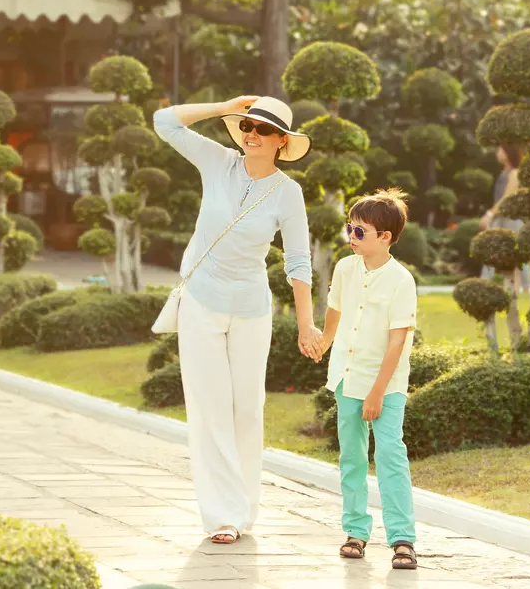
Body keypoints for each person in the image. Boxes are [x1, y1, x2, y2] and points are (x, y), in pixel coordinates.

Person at [153, 95, 323, 545]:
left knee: (246, 409)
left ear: (281, 142)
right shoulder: (218, 162)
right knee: (210, 409)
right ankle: (221, 516)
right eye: (247, 125)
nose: (251, 134)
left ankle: (244, 508)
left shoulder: (289, 192)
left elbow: (299, 262)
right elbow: (164, 122)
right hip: (202, 302)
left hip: (251, 307)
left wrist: (306, 325)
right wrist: (224, 105)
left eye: (263, 130)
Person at [315, 189, 418, 570]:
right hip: (346, 377)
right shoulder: (345, 268)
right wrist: (324, 342)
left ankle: (402, 538)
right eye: (349, 229)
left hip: (385, 384)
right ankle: (355, 531)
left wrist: (377, 392)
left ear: (385, 237)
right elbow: (335, 309)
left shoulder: (401, 281)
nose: (351, 237)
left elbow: (397, 341)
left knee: (390, 454)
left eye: (360, 232)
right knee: (352, 457)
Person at [480, 145, 529, 290]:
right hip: (500, 217)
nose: (498, 153)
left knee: (519, 252)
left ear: (508, 153)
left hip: (511, 219)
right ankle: (484, 282)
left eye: (501, 150)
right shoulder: (504, 172)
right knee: (492, 248)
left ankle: (527, 286)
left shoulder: (514, 173)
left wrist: (489, 215)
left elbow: (506, 199)